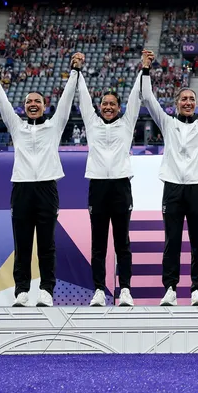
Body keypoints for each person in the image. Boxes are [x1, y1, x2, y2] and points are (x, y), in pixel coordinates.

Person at [0, 53, 81, 307]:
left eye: (37, 101)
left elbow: (67, 100)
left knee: (47, 245)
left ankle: (47, 291)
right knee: (23, 244)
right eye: (29, 102)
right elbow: (3, 102)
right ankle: (22, 291)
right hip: (21, 190)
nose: (33, 105)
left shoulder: (54, 126)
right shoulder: (17, 127)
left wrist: (74, 71)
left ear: (44, 104)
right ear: (24, 107)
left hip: (47, 189)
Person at [140, 49, 198, 307]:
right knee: (172, 241)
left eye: (191, 99)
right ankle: (170, 288)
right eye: (184, 99)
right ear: (176, 103)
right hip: (173, 188)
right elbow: (147, 97)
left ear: (195, 102)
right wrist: (146, 68)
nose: (188, 102)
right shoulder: (167, 123)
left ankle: (197, 290)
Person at [77, 58, 144, 308]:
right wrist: (78, 71)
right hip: (98, 187)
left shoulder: (126, 124)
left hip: (120, 187)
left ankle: (125, 289)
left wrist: (144, 69)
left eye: (112, 104)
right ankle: (98, 290)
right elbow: (83, 99)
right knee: (98, 242)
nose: (107, 107)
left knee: (122, 242)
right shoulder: (92, 123)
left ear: (118, 107)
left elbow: (137, 98)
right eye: (104, 103)